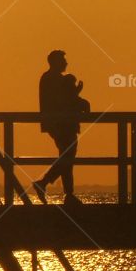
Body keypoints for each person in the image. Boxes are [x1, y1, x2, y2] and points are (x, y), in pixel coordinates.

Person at [32, 50, 87, 206]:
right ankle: (48, 185)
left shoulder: (51, 78)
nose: (66, 63)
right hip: (61, 125)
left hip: (60, 125)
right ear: (55, 62)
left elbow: (65, 99)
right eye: (63, 60)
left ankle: (64, 192)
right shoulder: (51, 79)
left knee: (67, 158)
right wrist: (77, 94)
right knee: (67, 158)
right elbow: (64, 101)